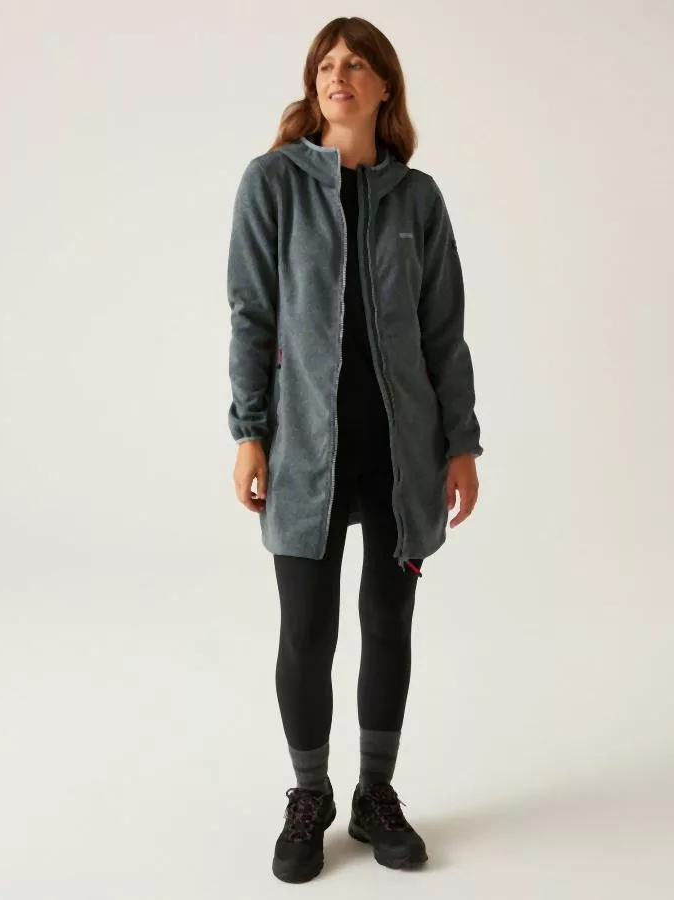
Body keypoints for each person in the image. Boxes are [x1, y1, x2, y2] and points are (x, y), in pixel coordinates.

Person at [226, 16, 483, 884]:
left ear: (384, 88)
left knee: (388, 622)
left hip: (402, 453)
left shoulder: (418, 200)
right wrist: (249, 433)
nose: (340, 75)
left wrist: (461, 443)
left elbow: (444, 332)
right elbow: (252, 315)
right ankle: (310, 795)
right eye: (327, 64)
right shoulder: (272, 185)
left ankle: (376, 793)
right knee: (306, 629)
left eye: (358, 64)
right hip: (304, 451)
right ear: (314, 84)